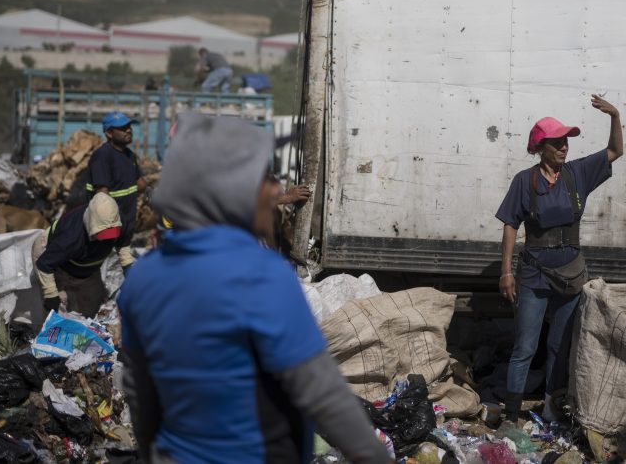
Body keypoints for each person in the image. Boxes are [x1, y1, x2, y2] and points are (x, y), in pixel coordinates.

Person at [117, 113, 392, 464]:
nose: (276, 190)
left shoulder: (142, 279)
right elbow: (322, 394)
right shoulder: (261, 276)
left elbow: (141, 398)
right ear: (229, 189)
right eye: (264, 177)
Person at [494, 94, 623, 424]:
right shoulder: (525, 181)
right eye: (557, 143)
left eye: (566, 142)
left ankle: (552, 408)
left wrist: (614, 117)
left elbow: (615, 152)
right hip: (534, 277)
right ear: (541, 147)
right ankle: (511, 416)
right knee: (525, 347)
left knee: (559, 347)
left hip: (571, 276)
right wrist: (506, 271)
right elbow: (511, 224)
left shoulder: (578, 173)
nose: (564, 147)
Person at [34, 192, 128, 317]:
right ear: (91, 225)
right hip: (55, 263)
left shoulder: (118, 221)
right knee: (56, 314)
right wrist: (51, 293)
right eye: (102, 235)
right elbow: (44, 264)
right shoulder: (70, 238)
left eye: (111, 234)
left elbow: (122, 242)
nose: (106, 239)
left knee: (93, 310)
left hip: (86, 269)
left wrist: (127, 264)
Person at [87, 112, 145, 252]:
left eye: (129, 126)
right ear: (109, 133)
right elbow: (102, 197)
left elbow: (139, 182)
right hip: (110, 228)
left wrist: (150, 191)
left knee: (121, 268)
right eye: (123, 128)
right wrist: (110, 230)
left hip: (126, 226)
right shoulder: (102, 156)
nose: (128, 130)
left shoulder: (129, 155)